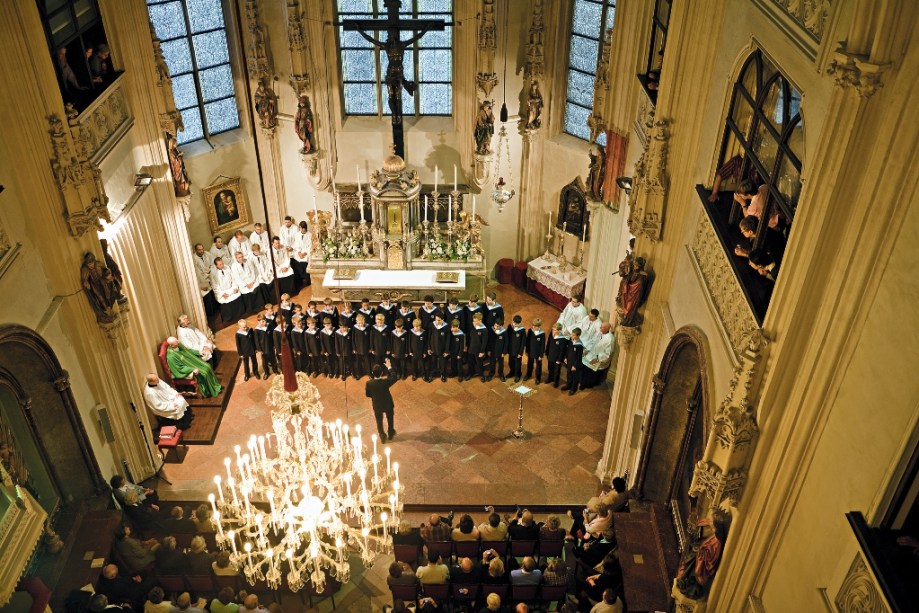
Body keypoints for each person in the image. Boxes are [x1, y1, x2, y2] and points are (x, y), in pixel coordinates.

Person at [366, 358, 398, 443]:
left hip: (377, 405)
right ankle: (391, 433)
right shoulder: (385, 382)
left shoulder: (369, 383)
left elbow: (367, 394)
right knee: (390, 418)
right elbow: (395, 377)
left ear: (373, 373)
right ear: (382, 373)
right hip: (388, 404)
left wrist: (374, 396)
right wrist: (389, 367)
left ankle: (382, 436)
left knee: (379, 421)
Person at [616, 256, 650, 327]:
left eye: (636, 265)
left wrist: (627, 284)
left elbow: (634, 287)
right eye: (634, 264)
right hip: (630, 294)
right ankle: (627, 317)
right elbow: (626, 277)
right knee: (625, 304)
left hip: (634, 296)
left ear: (640, 266)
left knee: (629, 308)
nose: (634, 266)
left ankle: (629, 320)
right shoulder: (635, 272)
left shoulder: (641, 278)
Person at [210, 257, 243, 323]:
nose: (222, 265)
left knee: (237, 295)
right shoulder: (213, 273)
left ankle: (240, 314)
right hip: (222, 291)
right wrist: (222, 294)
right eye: (219, 264)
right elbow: (215, 286)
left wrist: (235, 287)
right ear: (216, 265)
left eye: (222, 263)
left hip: (231, 288)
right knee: (226, 300)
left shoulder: (227, 267)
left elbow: (233, 278)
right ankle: (229, 318)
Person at [582, 322, 614, 389]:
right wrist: (587, 350)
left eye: (602, 327)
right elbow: (593, 342)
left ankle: (588, 384)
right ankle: (583, 381)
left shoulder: (610, 339)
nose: (600, 328)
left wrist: (597, 358)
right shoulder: (600, 333)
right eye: (601, 326)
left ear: (607, 329)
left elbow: (607, 354)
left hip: (599, 360)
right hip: (592, 354)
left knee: (590, 373)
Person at [192, 244, 216, 318]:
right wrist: (206, 276)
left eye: (202, 249)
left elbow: (213, 263)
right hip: (202, 279)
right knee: (207, 293)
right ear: (196, 250)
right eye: (199, 250)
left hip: (210, 273)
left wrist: (211, 272)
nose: (202, 251)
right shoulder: (194, 259)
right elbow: (198, 272)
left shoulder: (207, 254)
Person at [429, 313, 451, 382]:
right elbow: (429, 337)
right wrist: (429, 348)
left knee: (443, 363)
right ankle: (432, 374)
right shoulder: (432, 325)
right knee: (433, 362)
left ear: (442, 320)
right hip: (433, 348)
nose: (437, 321)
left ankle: (443, 374)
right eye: (436, 319)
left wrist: (447, 350)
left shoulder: (446, 326)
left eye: (439, 320)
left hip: (442, 349)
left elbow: (448, 340)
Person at [291, 221, 312, 290]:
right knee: (296, 263)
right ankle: (300, 282)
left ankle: (307, 281)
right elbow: (296, 245)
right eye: (301, 228)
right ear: (299, 228)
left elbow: (310, 246)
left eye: (304, 228)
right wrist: (299, 253)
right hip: (299, 253)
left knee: (304, 263)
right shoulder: (297, 235)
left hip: (306, 253)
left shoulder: (310, 235)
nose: (302, 230)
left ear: (306, 228)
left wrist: (304, 253)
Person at [524, 318, 547, 383]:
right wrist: (527, 351)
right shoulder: (530, 331)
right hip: (531, 351)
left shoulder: (542, 334)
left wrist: (541, 355)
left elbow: (543, 345)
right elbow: (527, 342)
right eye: (533, 325)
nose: (533, 327)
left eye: (535, 326)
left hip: (538, 353)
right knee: (529, 364)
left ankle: (538, 378)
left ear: (539, 326)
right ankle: (528, 375)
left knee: (538, 366)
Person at [469, 312, 488, 382]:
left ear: (480, 320)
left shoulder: (484, 329)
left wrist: (482, 351)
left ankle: (481, 375)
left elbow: (484, 342)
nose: (474, 323)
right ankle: (471, 373)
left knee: (479, 363)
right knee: (470, 362)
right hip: (471, 347)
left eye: (475, 321)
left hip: (479, 350)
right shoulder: (473, 326)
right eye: (473, 321)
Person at [509, 315, 527, 382]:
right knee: (511, 362)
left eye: (517, 324)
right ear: (512, 321)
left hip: (517, 351)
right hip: (511, 349)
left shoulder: (522, 330)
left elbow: (523, 343)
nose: (515, 325)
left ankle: (517, 375)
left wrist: (520, 352)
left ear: (519, 323)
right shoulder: (510, 327)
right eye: (514, 323)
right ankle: (512, 372)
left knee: (517, 364)